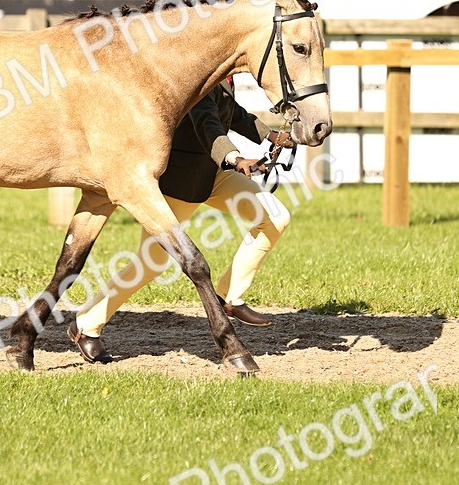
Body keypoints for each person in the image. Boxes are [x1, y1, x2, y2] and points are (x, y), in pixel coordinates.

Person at [67, 77, 295, 363]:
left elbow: (230, 110)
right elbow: (206, 122)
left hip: (214, 175)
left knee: (275, 218)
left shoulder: (222, 72)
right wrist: (236, 159)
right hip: (181, 181)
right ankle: (86, 324)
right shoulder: (197, 74)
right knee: (150, 265)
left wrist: (272, 136)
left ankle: (229, 297)